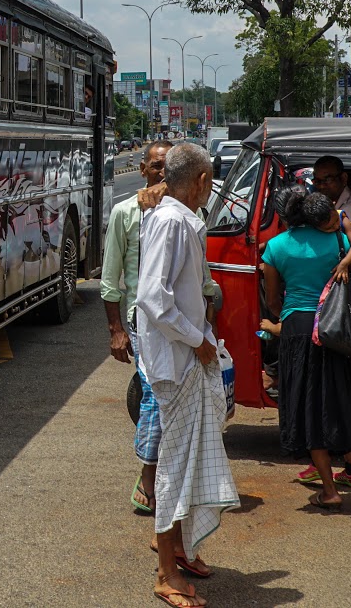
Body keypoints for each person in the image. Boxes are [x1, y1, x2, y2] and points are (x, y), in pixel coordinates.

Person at [134, 143, 238, 608]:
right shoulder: (173, 220)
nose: (210, 189)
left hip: (183, 359)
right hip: (176, 363)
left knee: (182, 464)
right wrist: (197, 339)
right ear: (200, 181)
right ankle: (165, 573)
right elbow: (153, 299)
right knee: (173, 469)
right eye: (210, 181)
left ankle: (178, 554)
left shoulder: (175, 218)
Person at [260, 188, 351, 511]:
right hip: (336, 330)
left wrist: (283, 316)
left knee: (308, 408)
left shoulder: (274, 248)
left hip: (298, 331)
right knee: (348, 398)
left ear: (285, 217)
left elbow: (273, 302)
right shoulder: (340, 242)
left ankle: (329, 490)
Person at [101, 140, 173, 516]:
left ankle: (172, 473)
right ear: (142, 169)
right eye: (157, 166)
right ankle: (148, 475)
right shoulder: (126, 214)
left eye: (169, 166)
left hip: (182, 321)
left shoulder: (188, 212)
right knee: (155, 395)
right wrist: (116, 329)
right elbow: (110, 279)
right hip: (142, 322)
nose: (162, 173)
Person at [311, 156, 351, 261]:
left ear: (344, 178)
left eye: (328, 179)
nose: (322, 186)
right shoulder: (337, 205)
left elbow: (335, 249)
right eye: (317, 181)